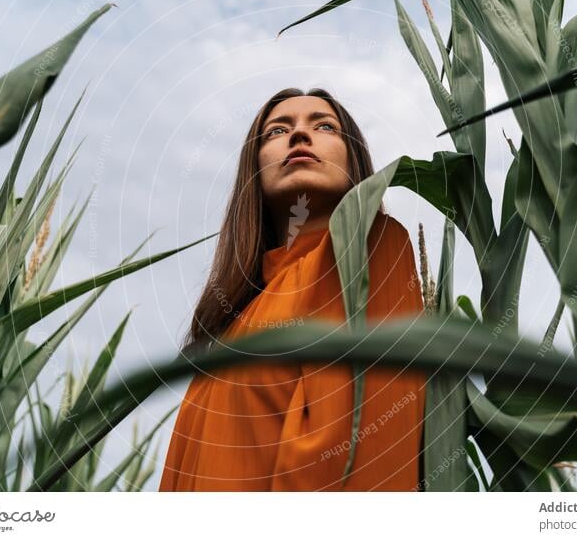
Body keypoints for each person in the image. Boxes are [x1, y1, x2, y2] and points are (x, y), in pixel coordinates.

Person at [159, 87, 427, 491]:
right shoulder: (238, 322)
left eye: (324, 126)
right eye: (276, 131)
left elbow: (357, 445)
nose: (299, 135)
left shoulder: (371, 247)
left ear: (354, 162)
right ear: (254, 169)